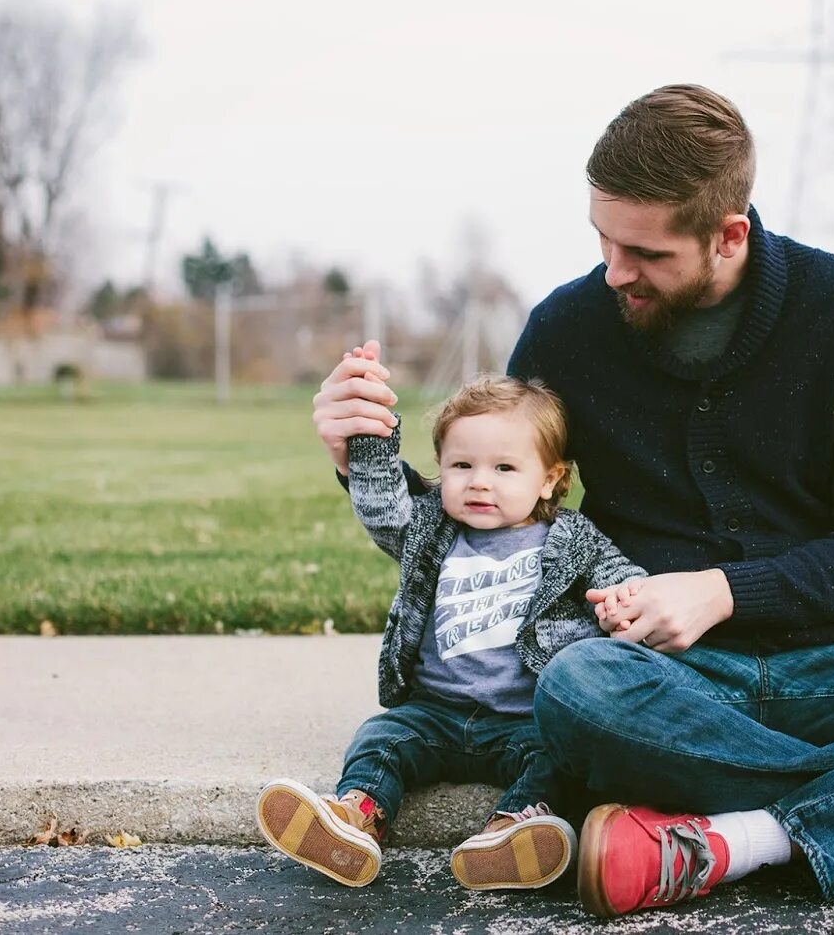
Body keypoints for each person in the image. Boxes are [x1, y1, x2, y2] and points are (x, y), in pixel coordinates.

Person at [310, 84, 834, 918]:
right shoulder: (569, 326)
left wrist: (718, 589)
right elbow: (492, 505)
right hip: (664, 683)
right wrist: (364, 458)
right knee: (571, 689)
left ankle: (737, 837)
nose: (615, 272)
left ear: (728, 235)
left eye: (646, 255)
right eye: (604, 240)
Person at [261, 373, 644, 892]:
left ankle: (512, 834)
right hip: (434, 713)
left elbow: (625, 581)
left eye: (504, 468)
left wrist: (624, 603)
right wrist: (371, 439)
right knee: (381, 738)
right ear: (440, 470)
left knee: (560, 760)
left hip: (525, 718)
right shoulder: (431, 530)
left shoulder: (572, 538)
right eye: (461, 466)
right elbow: (381, 504)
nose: (479, 481)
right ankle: (355, 820)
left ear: (551, 479)